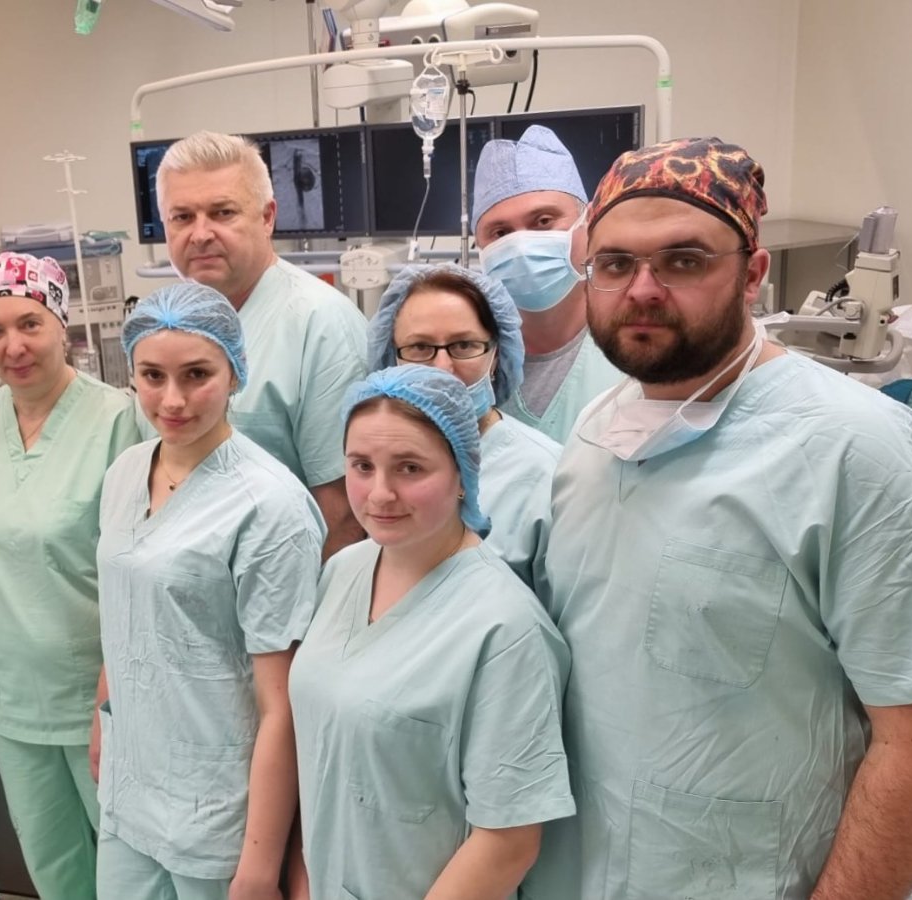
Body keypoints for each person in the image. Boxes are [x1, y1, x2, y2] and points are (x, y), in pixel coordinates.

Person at [538, 137, 912, 899]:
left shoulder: (856, 448)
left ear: (752, 274)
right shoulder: (594, 435)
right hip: (579, 868)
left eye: (683, 261)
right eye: (614, 264)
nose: (642, 289)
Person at [290, 365, 574, 899]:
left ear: (464, 473)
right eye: (362, 465)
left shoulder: (504, 628)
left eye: (410, 468)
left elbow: (508, 839)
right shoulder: (344, 570)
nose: (380, 494)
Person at [93, 282, 324, 898]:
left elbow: (283, 706)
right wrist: (103, 718)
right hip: (129, 787)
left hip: (219, 811)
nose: (172, 400)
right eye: (152, 375)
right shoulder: (124, 473)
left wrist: (261, 865)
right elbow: (124, 610)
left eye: (197, 375)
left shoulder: (270, 507)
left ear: (234, 373)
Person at [0, 251, 140, 899]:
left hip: (103, 695)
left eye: (30, 324)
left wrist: (113, 700)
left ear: (63, 325)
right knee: (53, 867)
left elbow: (141, 575)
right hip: (12, 697)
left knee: (129, 869)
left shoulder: (120, 422)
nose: (14, 347)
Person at [157, 130, 367, 558]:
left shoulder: (320, 323)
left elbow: (343, 512)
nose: (200, 234)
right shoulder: (166, 325)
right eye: (182, 217)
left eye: (223, 212)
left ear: (268, 217)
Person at [366, 263, 560, 593]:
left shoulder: (546, 477)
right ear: (391, 358)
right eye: (420, 347)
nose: (443, 369)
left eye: (464, 345)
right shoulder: (371, 462)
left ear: (496, 354)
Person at [471, 125, 622, 443]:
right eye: (500, 233)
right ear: (479, 246)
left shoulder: (634, 343)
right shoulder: (464, 354)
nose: (521, 245)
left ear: (588, 223)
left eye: (543, 221)